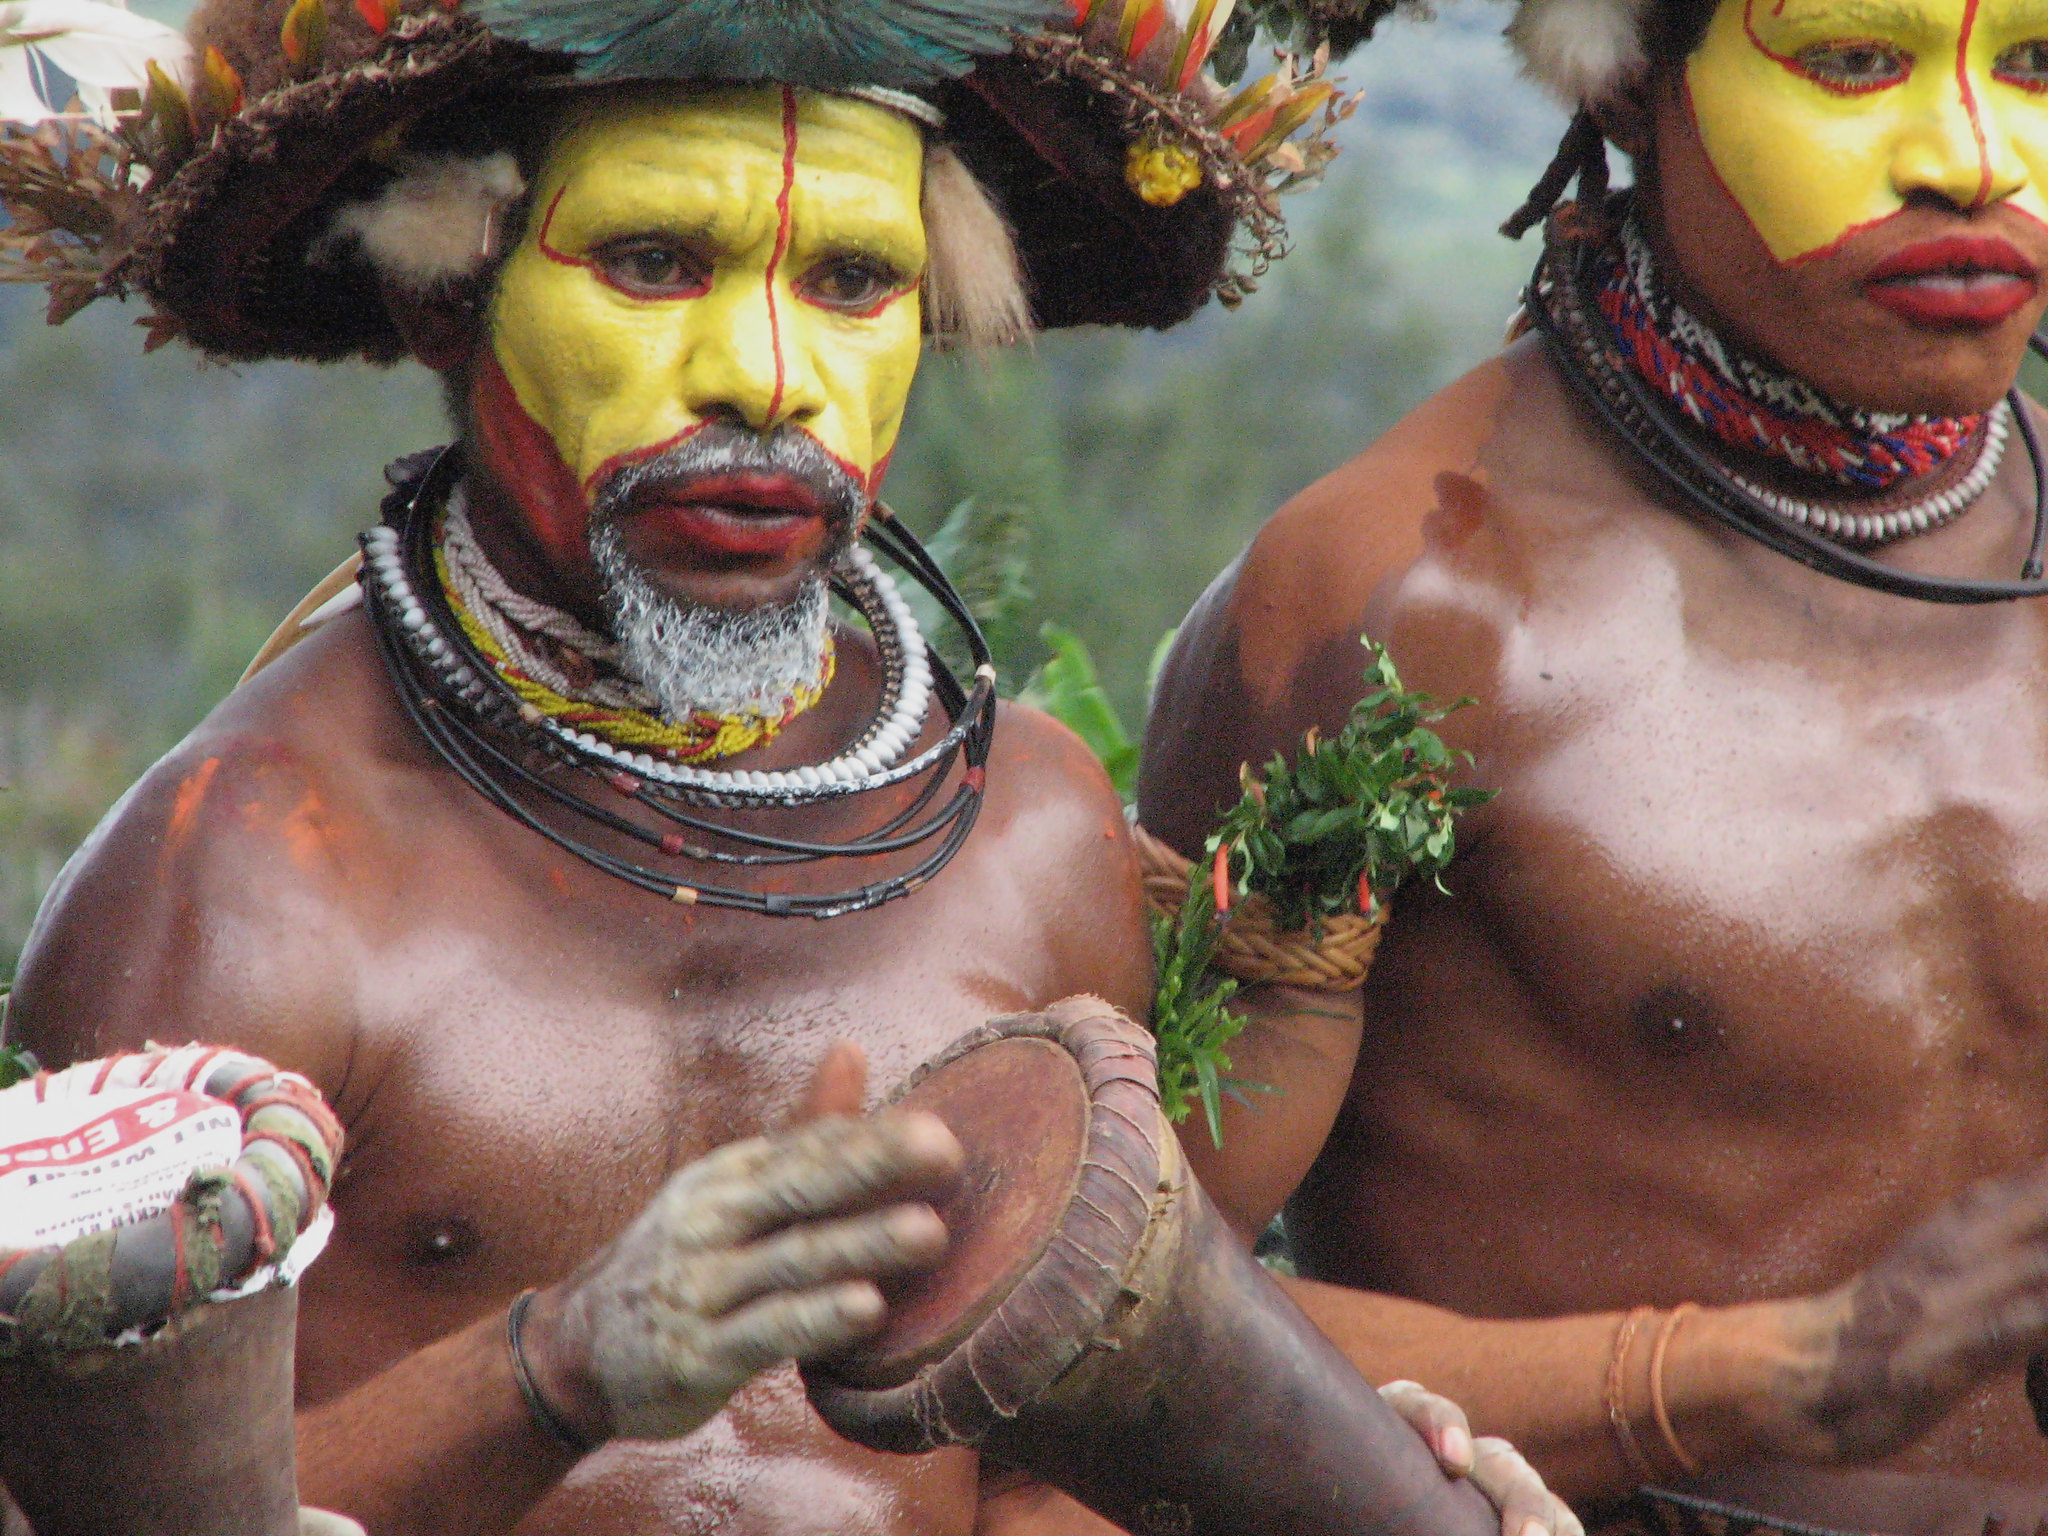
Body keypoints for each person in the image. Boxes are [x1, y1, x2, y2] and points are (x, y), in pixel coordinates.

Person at [0, 0, 1575, 1531]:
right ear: (444, 294)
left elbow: (1031, 1474)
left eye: (851, 278)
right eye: (650, 261)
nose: (767, 374)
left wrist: (1311, 1480)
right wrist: (559, 1369)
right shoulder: (245, 878)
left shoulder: (1022, 830)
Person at [1136, 0, 2048, 1528]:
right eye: (1849, 60)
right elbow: (1114, 1320)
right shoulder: (1401, 604)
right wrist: (1752, 1377)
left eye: (2035, 65)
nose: (1973, 160)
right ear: (1626, 77)